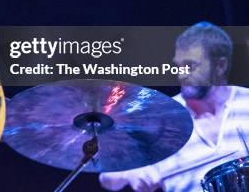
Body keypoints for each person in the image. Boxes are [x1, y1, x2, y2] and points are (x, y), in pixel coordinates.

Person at [99, 22, 249, 192]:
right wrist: (129, 174)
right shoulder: (162, 118)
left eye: (190, 66)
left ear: (220, 66)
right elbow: (107, 178)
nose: (181, 74)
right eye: (178, 66)